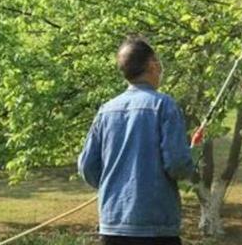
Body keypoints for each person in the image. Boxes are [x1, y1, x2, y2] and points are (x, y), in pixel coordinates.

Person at [78, 37, 196, 245]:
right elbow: (177, 165)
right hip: (155, 228)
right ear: (152, 65)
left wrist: (113, 186)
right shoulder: (164, 105)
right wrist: (190, 158)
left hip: (112, 225)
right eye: (158, 62)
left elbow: (87, 166)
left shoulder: (106, 111)